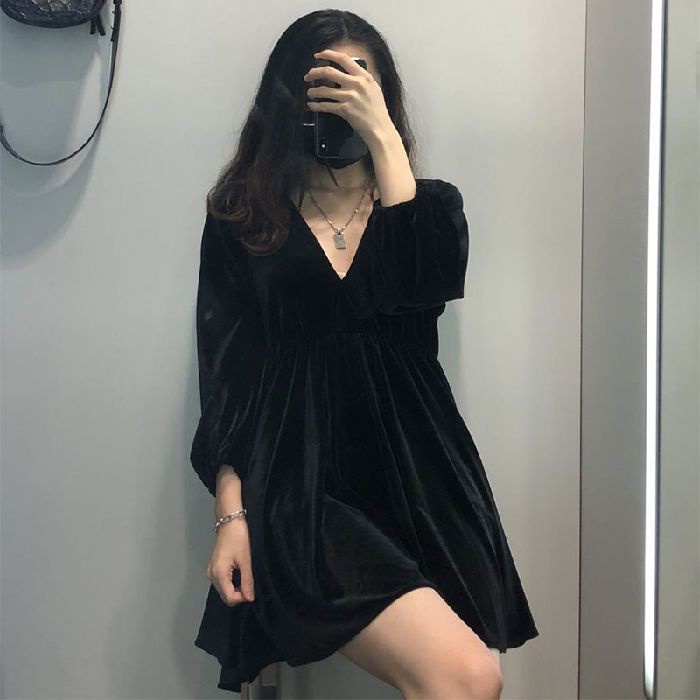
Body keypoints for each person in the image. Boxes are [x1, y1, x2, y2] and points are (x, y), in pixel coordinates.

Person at [190, 9, 538, 698]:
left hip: (420, 476)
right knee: (469, 679)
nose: (341, 98)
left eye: (359, 80)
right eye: (323, 83)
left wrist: (383, 138)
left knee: (465, 678)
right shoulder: (245, 217)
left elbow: (421, 293)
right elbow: (226, 374)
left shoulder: (429, 208)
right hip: (301, 482)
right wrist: (230, 515)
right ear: (289, 99)